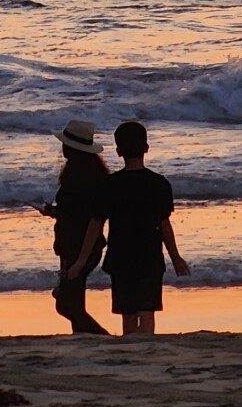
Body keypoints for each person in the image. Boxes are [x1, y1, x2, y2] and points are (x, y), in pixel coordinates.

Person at [65, 119, 189, 338]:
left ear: (119, 151)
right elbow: (164, 225)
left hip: (120, 256)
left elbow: (96, 224)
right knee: (147, 310)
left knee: (128, 313)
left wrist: (82, 260)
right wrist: (176, 257)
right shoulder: (159, 184)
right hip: (150, 256)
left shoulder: (110, 185)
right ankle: (146, 347)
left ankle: (131, 349)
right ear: (147, 148)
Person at [40, 119, 110, 335]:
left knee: (67, 303)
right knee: (71, 301)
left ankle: (100, 337)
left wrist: (81, 258)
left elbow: (91, 217)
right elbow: (78, 212)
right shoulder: (86, 174)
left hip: (81, 246)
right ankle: (83, 337)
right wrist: (55, 212)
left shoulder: (84, 178)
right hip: (74, 245)